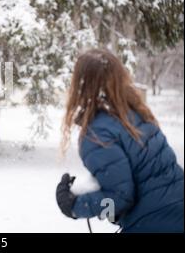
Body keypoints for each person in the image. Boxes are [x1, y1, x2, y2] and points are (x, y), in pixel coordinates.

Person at [56, 48, 183, 233]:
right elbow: (145, 179)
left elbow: (119, 199)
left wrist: (74, 206)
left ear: (81, 85)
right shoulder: (135, 115)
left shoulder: (97, 133)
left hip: (154, 224)